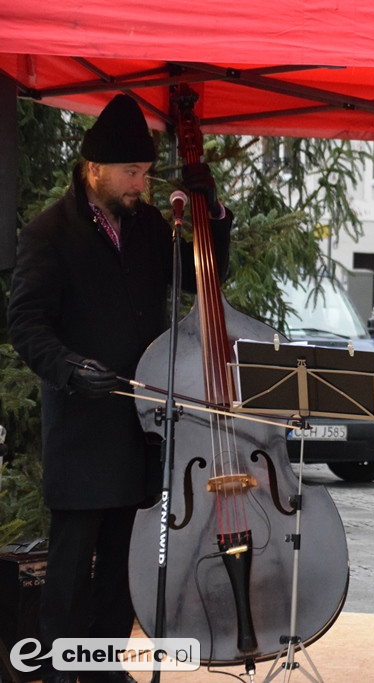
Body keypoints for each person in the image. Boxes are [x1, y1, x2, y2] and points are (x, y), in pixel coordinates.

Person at [7, 93, 231, 683]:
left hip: (139, 426)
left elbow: (202, 276)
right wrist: (71, 368)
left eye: (146, 173)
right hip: (82, 429)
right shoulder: (48, 233)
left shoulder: (151, 225)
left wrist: (215, 218)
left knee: (121, 571)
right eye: (132, 173)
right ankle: (56, 673)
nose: (141, 184)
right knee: (71, 566)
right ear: (95, 169)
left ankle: (105, 671)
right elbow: (26, 323)